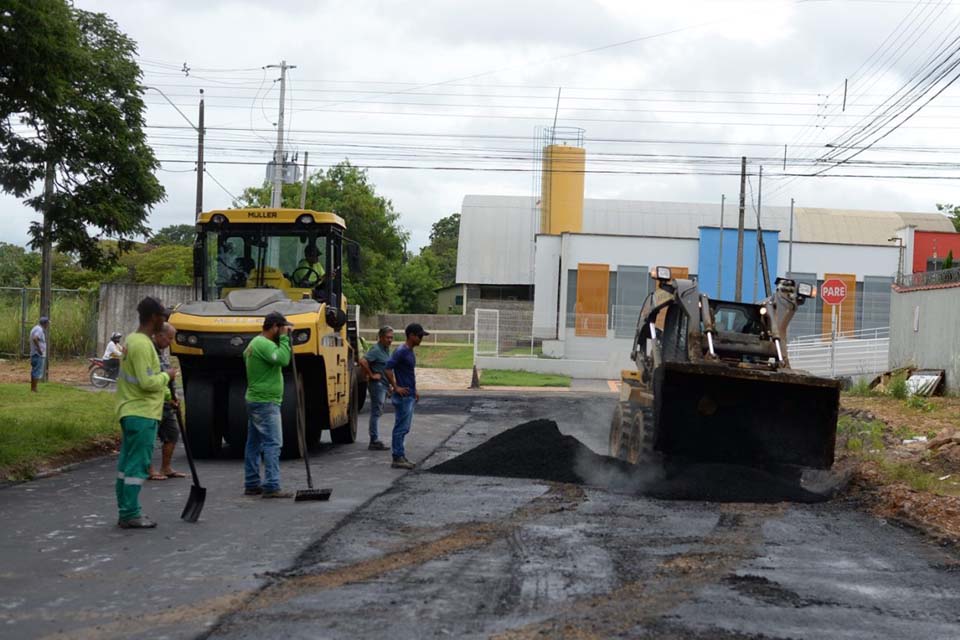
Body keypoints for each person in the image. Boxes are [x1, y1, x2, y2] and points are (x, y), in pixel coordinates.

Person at [115, 297, 176, 529]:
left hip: (131, 409)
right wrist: (167, 376)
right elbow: (148, 382)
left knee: (126, 464)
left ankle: (125, 510)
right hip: (142, 412)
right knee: (137, 465)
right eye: (162, 316)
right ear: (153, 317)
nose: (164, 319)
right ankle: (130, 513)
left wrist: (168, 396)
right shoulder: (142, 344)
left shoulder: (133, 340)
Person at [243, 311, 294, 498]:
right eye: (282, 328)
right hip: (266, 401)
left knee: (254, 443)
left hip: (256, 399)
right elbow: (283, 359)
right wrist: (285, 340)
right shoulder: (264, 344)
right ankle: (272, 485)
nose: (284, 331)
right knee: (273, 443)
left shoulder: (254, 343)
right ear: (274, 327)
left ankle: (251, 483)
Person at [383, 323, 428, 470]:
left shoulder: (409, 351)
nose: (421, 339)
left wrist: (414, 390)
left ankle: (400, 455)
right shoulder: (401, 351)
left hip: (409, 394)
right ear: (411, 336)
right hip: (403, 397)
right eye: (420, 336)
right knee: (401, 428)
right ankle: (397, 457)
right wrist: (396, 387)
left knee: (404, 427)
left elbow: (408, 374)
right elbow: (387, 369)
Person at [147, 323, 185, 481]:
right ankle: (149, 470)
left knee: (172, 433)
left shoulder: (162, 352)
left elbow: (168, 379)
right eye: (169, 338)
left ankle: (166, 467)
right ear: (160, 335)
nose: (171, 342)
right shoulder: (149, 351)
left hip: (167, 402)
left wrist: (173, 398)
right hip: (153, 403)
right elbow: (155, 380)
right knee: (149, 437)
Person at [358, 326, 394, 451]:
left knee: (379, 410)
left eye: (391, 338)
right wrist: (371, 374)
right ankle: (373, 440)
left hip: (384, 385)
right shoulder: (376, 349)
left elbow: (386, 368)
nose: (390, 340)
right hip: (377, 385)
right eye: (387, 337)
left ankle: (374, 439)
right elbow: (363, 361)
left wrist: (390, 386)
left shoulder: (386, 349)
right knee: (376, 411)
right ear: (381, 337)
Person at [29, 316, 49, 392]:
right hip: (38, 354)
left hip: (34, 353)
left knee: (34, 371)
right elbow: (35, 338)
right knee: (37, 372)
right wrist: (39, 349)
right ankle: (34, 389)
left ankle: (32, 388)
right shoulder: (40, 330)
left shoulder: (35, 328)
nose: (48, 325)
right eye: (47, 323)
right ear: (44, 323)